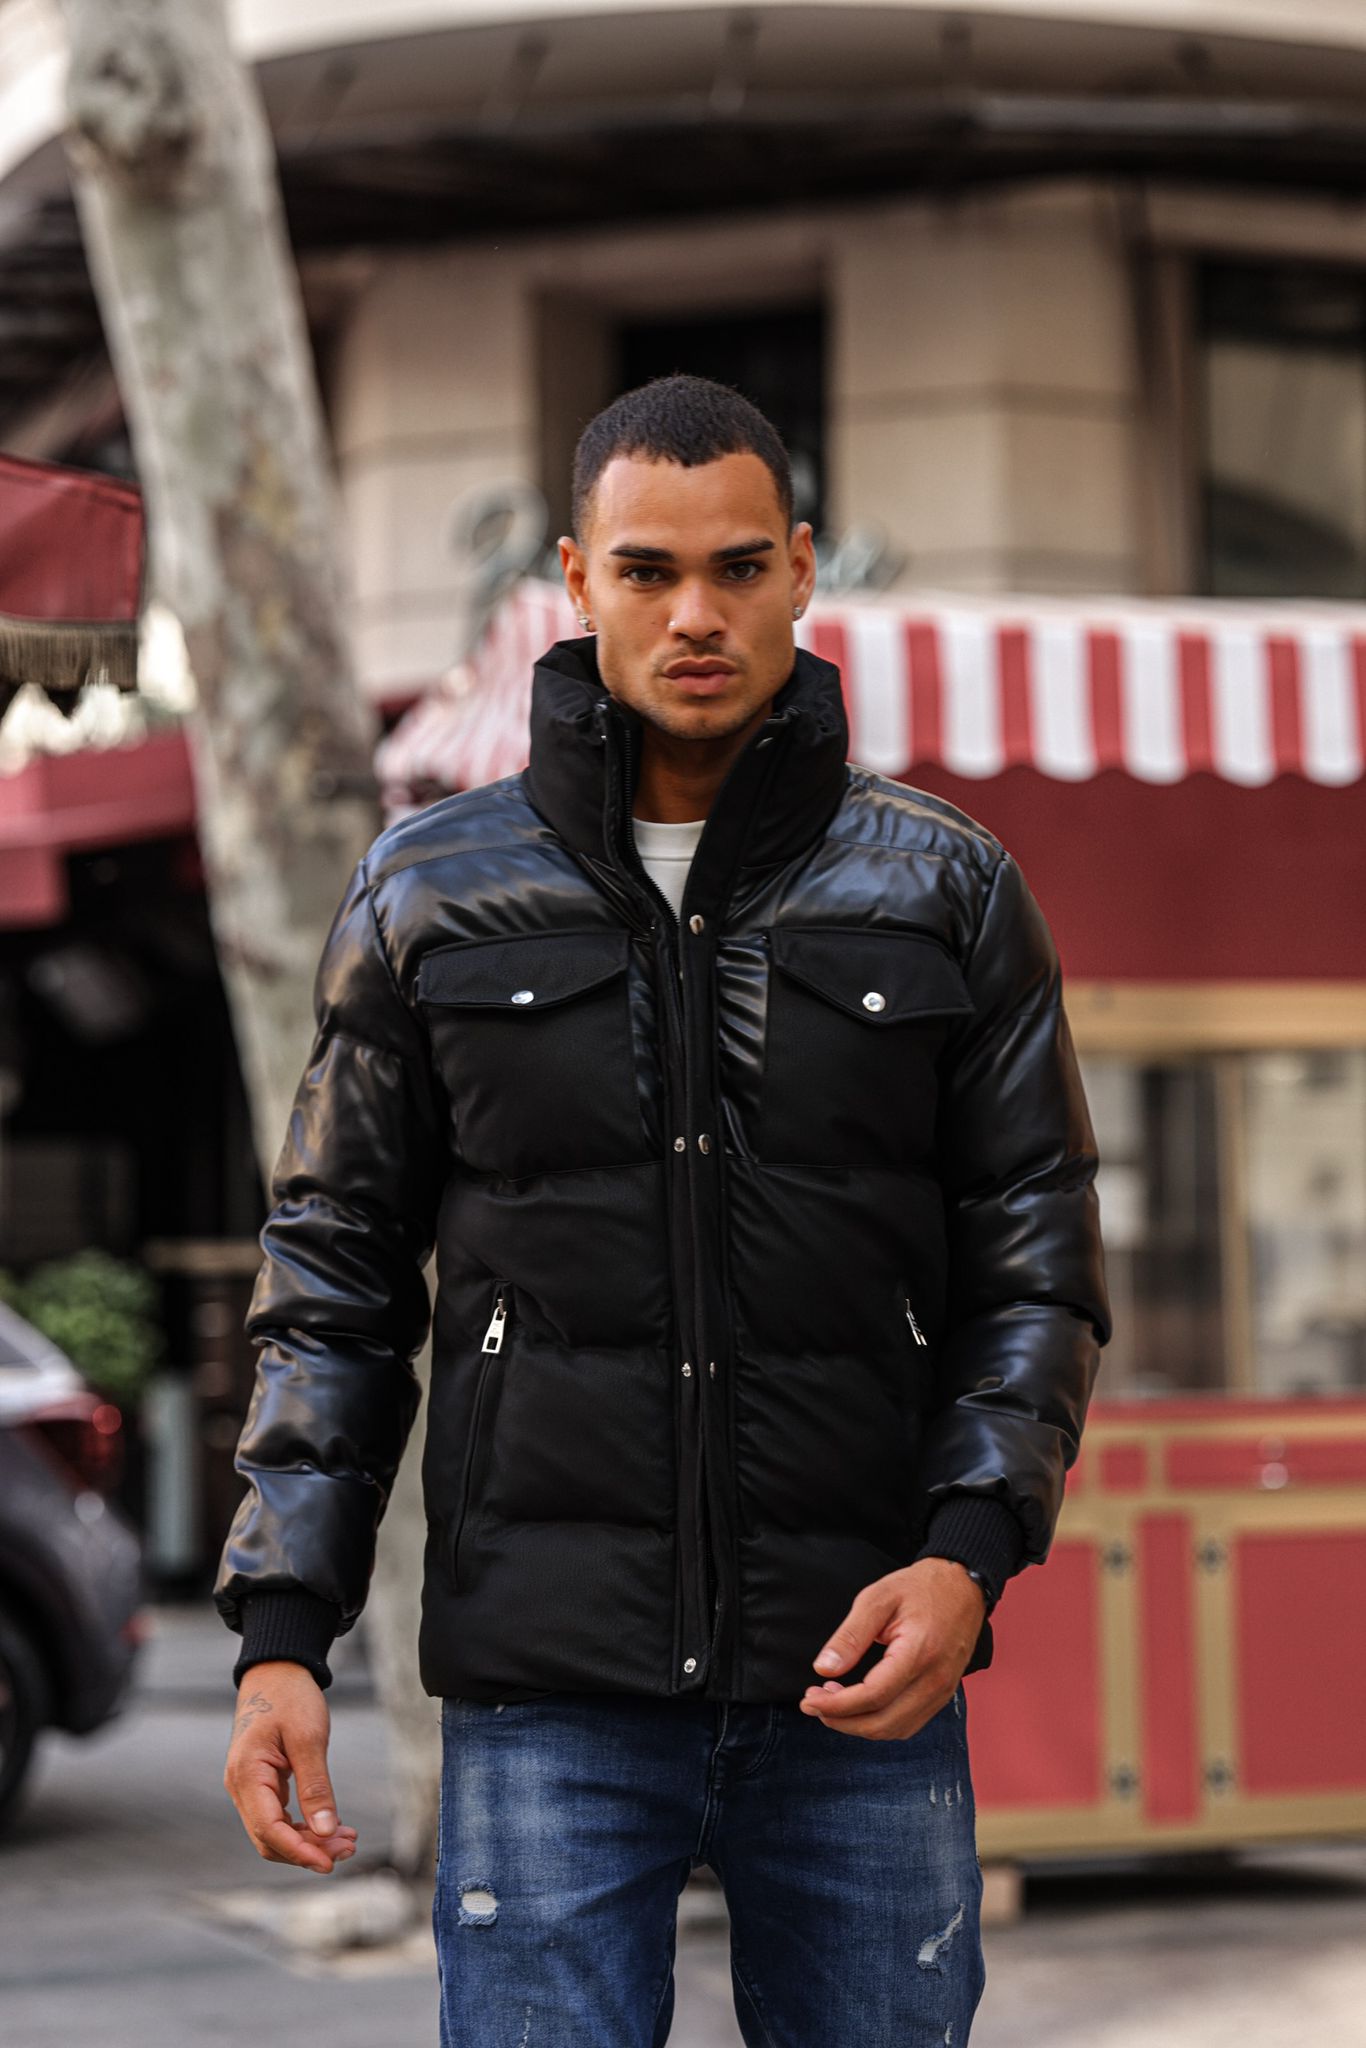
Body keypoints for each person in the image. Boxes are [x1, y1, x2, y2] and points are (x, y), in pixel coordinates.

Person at [218, 372, 1110, 2046]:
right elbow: (332, 1281)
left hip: (859, 1666)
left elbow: (1033, 1265)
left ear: (800, 567)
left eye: (736, 567)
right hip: (546, 1691)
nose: (694, 614)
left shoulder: (943, 887)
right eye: (646, 570)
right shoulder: (428, 893)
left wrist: (966, 1556)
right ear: (575, 578)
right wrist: (282, 1632)